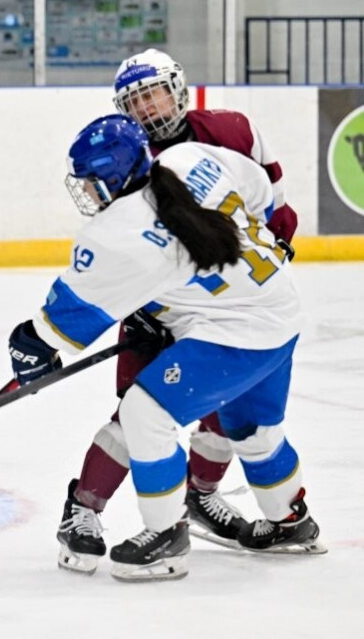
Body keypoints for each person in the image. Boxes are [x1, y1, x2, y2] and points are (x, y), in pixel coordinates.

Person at [10, 114, 324, 582]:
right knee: (254, 432)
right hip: (280, 306)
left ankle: (166, 537)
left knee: (144, 412)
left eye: (92, 182)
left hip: (237, 333)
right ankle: (291, 523)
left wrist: (29, 346)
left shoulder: (117, 230)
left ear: (112, 177)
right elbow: (260, 193)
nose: (88, 193)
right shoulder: (189, 157)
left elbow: (60, 326)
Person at [55, 49, 303, 572]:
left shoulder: (230, 133)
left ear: (178, 89)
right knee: (136, 413)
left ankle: (200, 498)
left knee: (223, 413)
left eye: (154, 93)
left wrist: (271, 248)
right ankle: (84, 510)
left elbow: (269, 202)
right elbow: (119, 251)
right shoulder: (124, 157)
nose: (147, 108)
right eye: (135, 100)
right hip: (158, 307)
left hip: (228, 307)